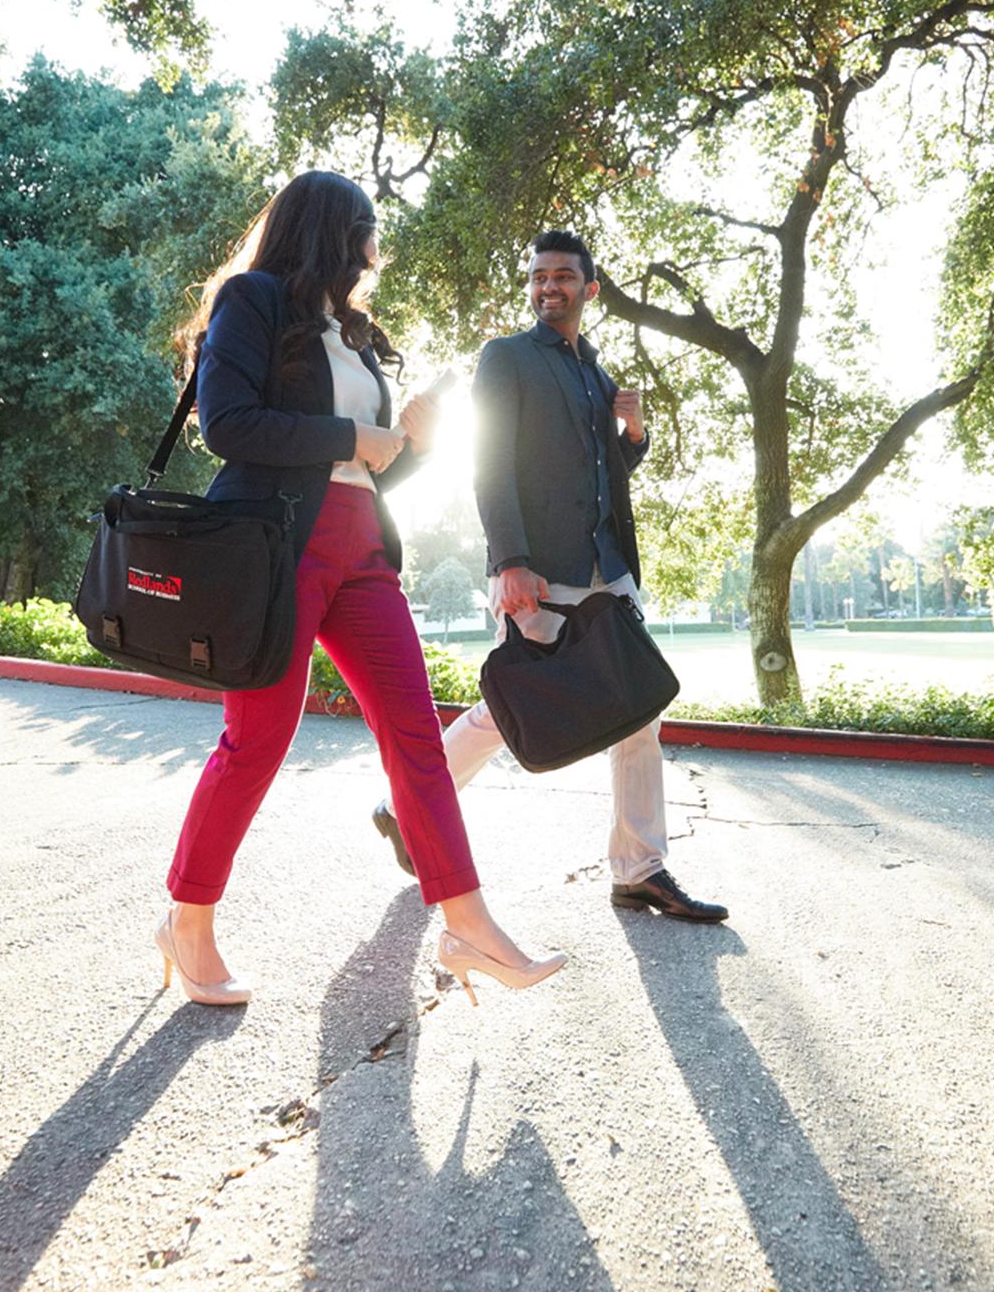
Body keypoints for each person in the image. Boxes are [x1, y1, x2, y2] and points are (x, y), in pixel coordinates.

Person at [160, 172, 567, 1005]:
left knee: (415, 736)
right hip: (275, 549)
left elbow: (369, 471)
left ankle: (469, 923)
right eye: (370, 231)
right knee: (258, 741)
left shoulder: (353, 333)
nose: (378, 252)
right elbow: (224, 424)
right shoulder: (254, 300)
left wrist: (410, 440)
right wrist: (358, 434)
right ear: (335, 230)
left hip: (360, 550)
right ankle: (188, 922)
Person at [370, 229, 728, 924]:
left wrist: (634, 441)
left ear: (589, 290)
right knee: (517, 712)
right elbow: (491, 462)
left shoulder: (596, 374)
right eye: (538, 276)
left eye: (563, 276)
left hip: (607, 571)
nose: (548, 287)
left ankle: (639, 869)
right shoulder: (505, 358)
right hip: (539, 570)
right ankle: (402, 806)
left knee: (638, 712)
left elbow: (603, 482)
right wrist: (508, 562)